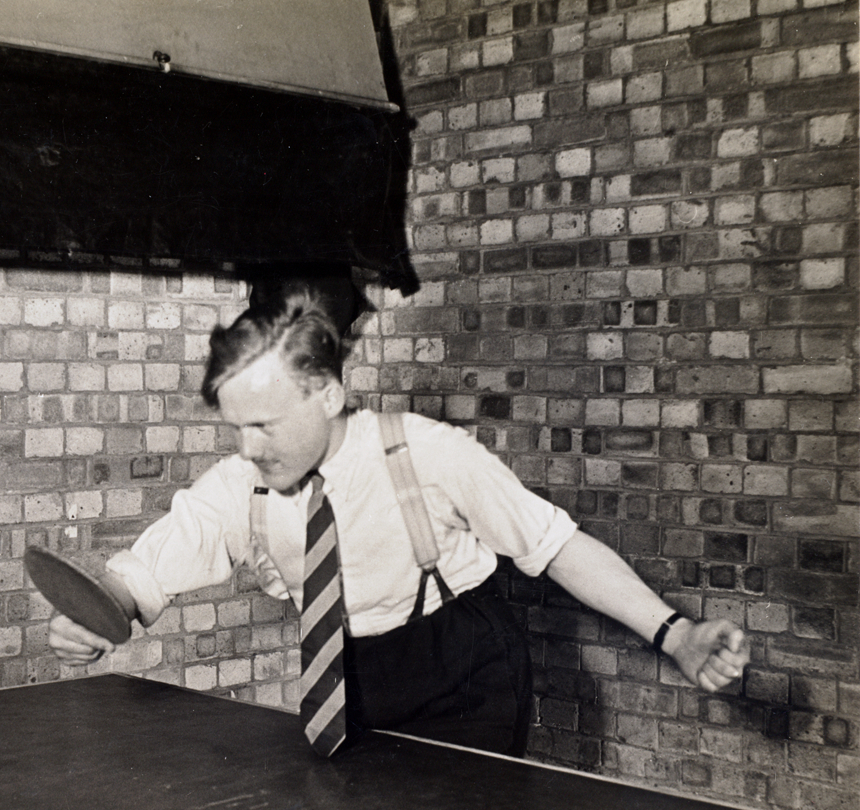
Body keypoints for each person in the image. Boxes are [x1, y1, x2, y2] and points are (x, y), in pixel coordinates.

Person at [48, 277, 751, 757]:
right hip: (349, 675)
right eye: (236, 427)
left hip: (464, 667)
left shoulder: (426, 452)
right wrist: (95, 615)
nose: (246, 447)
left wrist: (676, 632)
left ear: (325, 395)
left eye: (263, 425)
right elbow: (141, 578)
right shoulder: (243, 485)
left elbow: (555, 544)